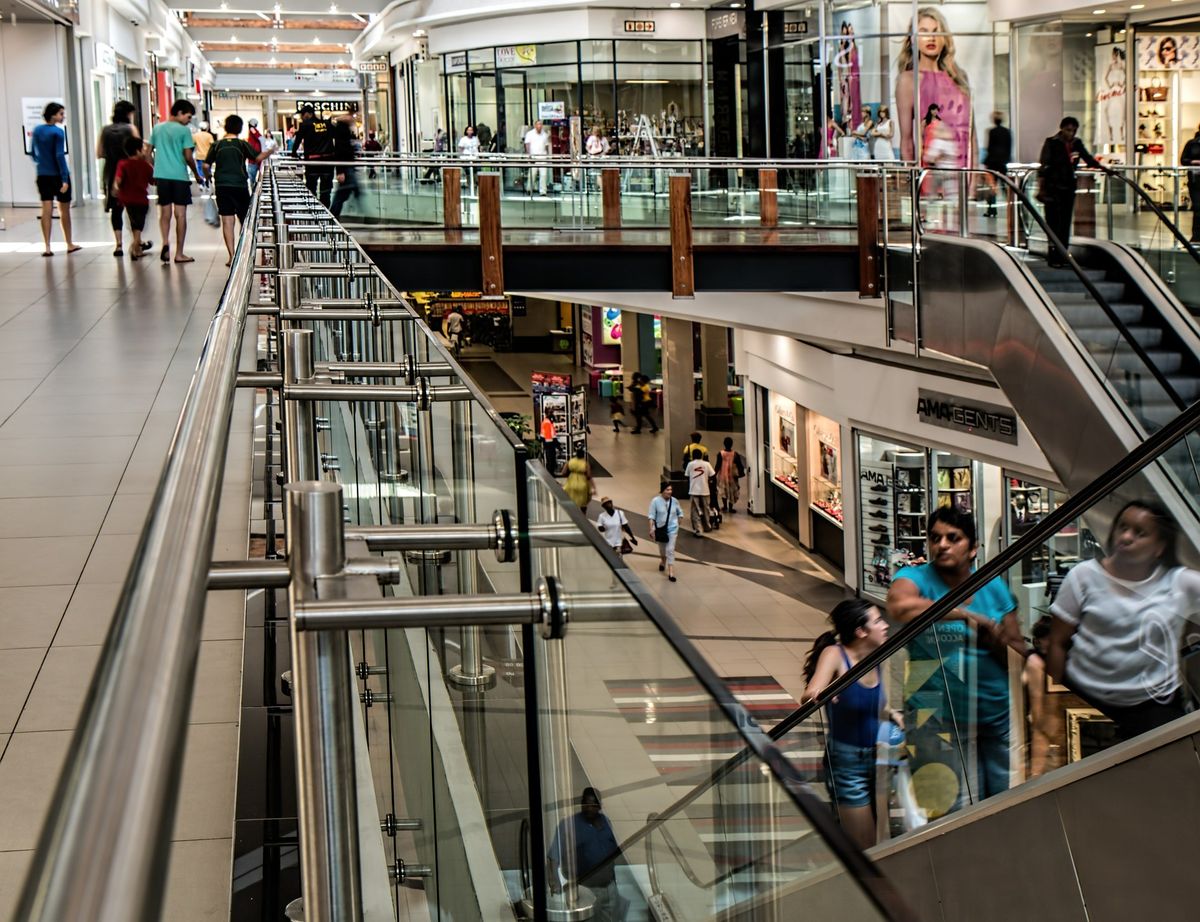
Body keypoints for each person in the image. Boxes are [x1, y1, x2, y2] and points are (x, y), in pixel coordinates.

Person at [886, 507, 1023, 815]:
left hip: (995, 714)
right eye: (935, 538)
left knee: (1006, 805)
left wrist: (996, 638)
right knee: (955, 812)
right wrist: (966, 615)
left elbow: (1017, 650)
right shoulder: (915, 578)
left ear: (973, 548)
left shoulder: (993, 586)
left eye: (953, 538)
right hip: (936, 717)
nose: (942, 545)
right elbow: (899, 606)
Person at [1046, 500, 1199, 743]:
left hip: (1152, 706)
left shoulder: (1179, 583)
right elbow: (1057, 642)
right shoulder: (1084, 576)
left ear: (1160, 547)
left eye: (1140, 533)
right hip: (1085, 698)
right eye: (1122, 527)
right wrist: (1052, 704)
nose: (1126, 537)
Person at [802, 599, 893, 849]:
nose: (885, 625)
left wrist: (893, 714)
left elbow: (873, 702)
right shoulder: (835, 654)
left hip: (880, 758)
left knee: (881, 839)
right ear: (860, 631)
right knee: (864, 844)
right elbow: (811, 692)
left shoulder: (875, 654)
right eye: (878, 621)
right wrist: (822, 693)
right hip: (848, 764)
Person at [897, 7, 973, 168]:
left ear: (944, 38)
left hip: (963, 175)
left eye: (936, 31)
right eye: (923, 32)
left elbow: (972, 136)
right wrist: (913, 184)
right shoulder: (908, 80)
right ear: (913, 39)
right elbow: (907, 142)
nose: (931, 37)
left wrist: (973, 183)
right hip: (930, 178)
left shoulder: (959, 77)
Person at [546, 788, 627, 922]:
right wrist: (554, 881)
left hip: (609, 888)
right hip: (585, 890)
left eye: (593, 805)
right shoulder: (568, 825)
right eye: (586, 804)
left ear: (600, 806)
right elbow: (553, 856)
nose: (589, 808)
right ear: (581, 804)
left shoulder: (606, 822)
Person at [1038, 116, 1101, 267]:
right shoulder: (1052, 142)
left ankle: (1062, 255)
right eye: (1068, 130)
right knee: (1053, 222)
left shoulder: (1076, 144)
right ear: (1061, 128)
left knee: (1065, 223)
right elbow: (1044, 167)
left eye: (1073, 131)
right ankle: (1053, 256)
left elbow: (1088, 158)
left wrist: (1103, 168)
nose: (1070, 133)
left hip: (1068, 188)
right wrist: (1041, 189)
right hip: (1052, 189)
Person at [207, 115, 270, 266]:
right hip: (239, 185)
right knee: (244, 219)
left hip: (222, 185)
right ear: (240, 128)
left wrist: (209, 176)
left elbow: (205, 165)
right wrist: (270, 151)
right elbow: (257, 157)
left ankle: (231, 255)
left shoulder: (216, 145)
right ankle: (244, 251)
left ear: (225, 127)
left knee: (227, 220)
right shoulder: (241, 144)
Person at [148, 98, 204, 264]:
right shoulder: (183, 131)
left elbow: (147, 153)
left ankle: (165, 242)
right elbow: (188, 156)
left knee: (165, 213)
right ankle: (179, 253)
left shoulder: (157, 128)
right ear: (179, 113)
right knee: (180, 215)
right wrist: (196, 174)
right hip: (179, 177)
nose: (188, 121)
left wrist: (156, 168)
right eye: (188, 117)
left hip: (162, 177)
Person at [29, 102, 80, 257]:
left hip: (42, 175)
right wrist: (64, 179)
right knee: (64, 210)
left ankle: (47, 246)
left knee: (46, 209)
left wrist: (41, 163)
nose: (62, 117)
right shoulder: (58, 132)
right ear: (53, 115)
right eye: (60, 114)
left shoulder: (37, 130)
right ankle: (69, 243)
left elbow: (32, 152)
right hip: (58, 175)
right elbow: (59, 155)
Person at [96, 100, 143, 257]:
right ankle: (137, 243)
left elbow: (99, 153)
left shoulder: (105, 130)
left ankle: (118, 244)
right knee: (134, 208)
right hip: (129, 170)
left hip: (110, 171)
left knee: (116, 209)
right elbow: (138, 150)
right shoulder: (131, 129)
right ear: (128, 114)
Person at [112, 137, 155, 261]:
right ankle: (135, 245)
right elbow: (153, 181)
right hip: (141, 199)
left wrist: (116, 188)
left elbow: (118, 180)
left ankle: (137, 249)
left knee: (134, 223)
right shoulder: (145, 165)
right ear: (137, 151)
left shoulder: (123, 163)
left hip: (126, 199)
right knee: (139, 224)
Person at [293, 104, 336, 207]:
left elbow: (297, 140)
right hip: (328, 162)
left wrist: (294, 153)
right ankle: (326, 214)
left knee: (311, 191)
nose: (302, 118)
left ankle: (314, 214)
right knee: (326, 192)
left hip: (312, 163)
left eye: (303, 115)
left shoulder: (305, 125)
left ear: (308, 114)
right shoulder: (327, 124)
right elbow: (337, 137)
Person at [648, 482, 682, 582]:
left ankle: (671, 572)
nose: (669, 492)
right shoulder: (655, 501)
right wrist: (651, 529)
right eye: (667, 490)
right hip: (660, 529)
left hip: (672, 529)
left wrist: (679, 521)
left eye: (671, 490)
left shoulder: (674, 501)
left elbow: (680, 512)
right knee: (662, 550)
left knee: (670, 550)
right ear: (662, 490)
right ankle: (663, 561)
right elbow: (651, 516)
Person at [981, 112, 1012, 218]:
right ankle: (1012, 207)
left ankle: (991, 210)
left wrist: (986, 162)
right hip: (1003, 163)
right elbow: (1009, 148)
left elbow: (989, 148)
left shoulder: (992, 132)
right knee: (1005, 187)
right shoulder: (1007, 132)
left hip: (993, 163)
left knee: (991, 186)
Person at [330, 114, 359, 219]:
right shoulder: (342, 136)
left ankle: (333, 216)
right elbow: (340, 153)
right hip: (346, 168)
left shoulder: (343, 135)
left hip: (347, 168)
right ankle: (333, 216)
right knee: (343, 195)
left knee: (344, 194)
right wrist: (340, 171)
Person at [685, 448, 715, 537]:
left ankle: (698, 529)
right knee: (706, 509)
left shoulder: (690, 464)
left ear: (693, 456)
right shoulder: (707, 464)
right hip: (705, 490)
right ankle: (707, 526)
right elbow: (713, 475)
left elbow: (687, 476)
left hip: (694, 490)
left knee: (695, 510)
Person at [713, 436, 745, 514]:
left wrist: (714, 474)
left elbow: (717, 465)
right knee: (732, 491)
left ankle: (725, 506)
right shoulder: (735, 454)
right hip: (733, 477)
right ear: (732, 444)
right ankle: (731, 508)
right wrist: (741, 473)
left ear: (724, 444)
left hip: (723, 476)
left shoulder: (720, 454)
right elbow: (740, 465)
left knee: (724, 491)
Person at [1181, 125, 1200, 242]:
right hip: (1195, 181)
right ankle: (1196, 237)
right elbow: (1183, 160)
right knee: (1198, 208)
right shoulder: (1191, 143)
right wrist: (1193, 161)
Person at [524, 119, 551, 195]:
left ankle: (543, 191)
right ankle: (529, 189)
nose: (540, 126)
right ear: (535, 125)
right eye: (538, 124)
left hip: (543, 156)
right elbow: (527, 144)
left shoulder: (544, 135)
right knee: (532, 174)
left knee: (543, 174)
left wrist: (548, 156)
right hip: (533, 156)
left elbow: (546, 146)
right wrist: (529, 155)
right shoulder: (530, 134)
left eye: (541, 124)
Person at [563, 447, 595, 512]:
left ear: (576, 454)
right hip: (582, 484)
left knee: (571, 500)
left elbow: (563, 472)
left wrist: (570, 475)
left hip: (571, 483)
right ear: (583, 455)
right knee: (583, 503)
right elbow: (589, 475)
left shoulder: (570, 461)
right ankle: (583, 516)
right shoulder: (585, 463)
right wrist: (593, 487)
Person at [246, 118, 265, 187]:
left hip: (253, 161)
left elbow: (262, 139)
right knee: (256, 180)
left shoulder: (252, 129)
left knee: (253, 181)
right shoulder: (252, 132)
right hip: (256, 160)